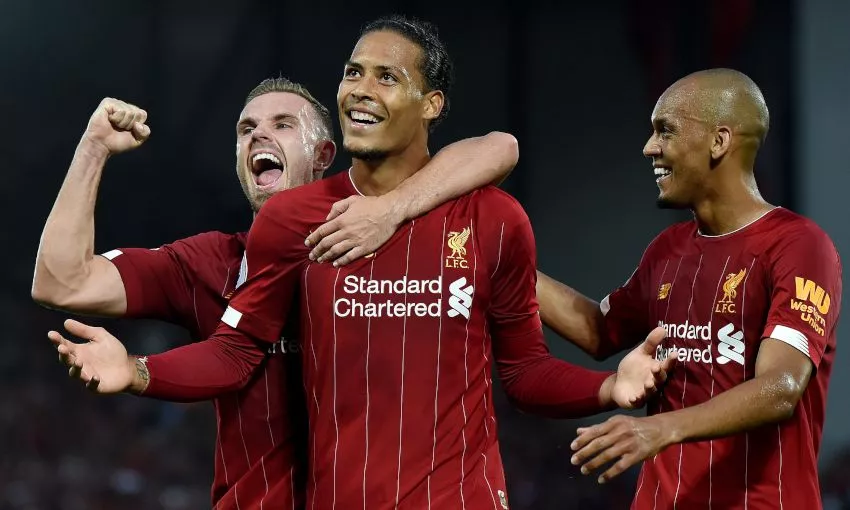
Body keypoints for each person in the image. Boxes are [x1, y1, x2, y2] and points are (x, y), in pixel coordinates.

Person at [49, 15, 673, 509]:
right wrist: (136, 370)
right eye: (353, 72)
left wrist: (607, 388)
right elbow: (236, 351)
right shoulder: (289, 222)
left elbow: (525, 369)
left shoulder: (495, 219)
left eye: (386, 77)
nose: (361, 90)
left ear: (431, 104)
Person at [33, 76, 523, 508]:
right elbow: (62, 281)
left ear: (324, 155)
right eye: (246, 129)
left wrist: (395, 208)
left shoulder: (385, 251)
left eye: (283, 124)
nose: (258, 135)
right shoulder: (209, 264)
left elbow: (496, 149)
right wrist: (94, 147)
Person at [537, 68, 842, 509]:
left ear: (719, 141)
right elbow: (600, 331)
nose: (649, 147)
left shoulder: (799, 246)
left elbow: (781, 385)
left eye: (666, 130)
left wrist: (659, 429)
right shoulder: (668, 249)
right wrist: (505, 264)